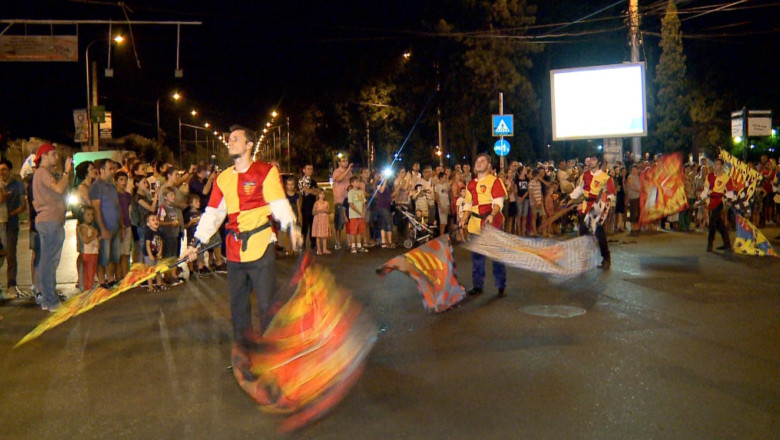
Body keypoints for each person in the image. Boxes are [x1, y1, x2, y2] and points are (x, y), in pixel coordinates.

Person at [183, 125, 302, 350]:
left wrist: (291, 226)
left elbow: (278, 203)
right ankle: (244, 353)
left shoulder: (265, 171)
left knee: (267, 306)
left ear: (249, 145)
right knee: (238, 308)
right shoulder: (223, 178)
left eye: (236, 139)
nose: (230, 142)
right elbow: (213, 214)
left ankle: (271, 354)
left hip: (261, 247)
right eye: (229, 139)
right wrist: (195, 243)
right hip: (234, 250)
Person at [460, 153, 507, 298]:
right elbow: (468, 204)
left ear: (489, 166)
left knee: (496, 256)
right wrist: (464, 218)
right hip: (475, 225)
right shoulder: (470, 184)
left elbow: (498, 202)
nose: (479, 163)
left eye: (482, 161)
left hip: (492, 224)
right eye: (477, 161)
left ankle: (500, 286)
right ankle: (477, 285)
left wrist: (492, 215)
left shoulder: (495, 181)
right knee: (477, 257)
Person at [32, 144, 73, 311]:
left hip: (49, 222)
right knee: (50, 262)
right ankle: (50, 300)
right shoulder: (42, 173)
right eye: (53, 154)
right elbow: (58, 188)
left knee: (47, 261)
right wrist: (66, 172)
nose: (57, 157)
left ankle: (47, 299)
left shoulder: (43, 174)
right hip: (49, 223)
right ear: (44, 156)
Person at [567, 155, 615, 269]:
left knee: (599, 233)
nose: (591, 162)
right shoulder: (585, 175)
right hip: (585, 206)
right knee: (583, 232)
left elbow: (611, 194)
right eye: (590, 160)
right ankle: (582, 259)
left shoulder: (605, 178)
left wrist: (603, 210)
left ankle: (606, 258)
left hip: (597, 208)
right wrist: (568, 197)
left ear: (598, 162)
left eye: (593, 160)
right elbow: (579, 189)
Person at [89, 159, 123, 288]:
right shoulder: (96, 186)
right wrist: (102, 229)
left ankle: (110, 279)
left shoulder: (112, 186)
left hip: (115, 227)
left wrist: (121, 225)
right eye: (110, 169)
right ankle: (102, 281)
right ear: (102, 170)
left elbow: (117, 206)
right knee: (103, 257)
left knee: (113, 257)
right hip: (105, 227)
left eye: (114, 168)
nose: (113, 171)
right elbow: (96, 209)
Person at [0, 159, 26, 294]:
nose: (1, 173)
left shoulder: (18, 185)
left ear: (9, 170)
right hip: (0, 222)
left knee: (10, 254)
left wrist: (11, 213)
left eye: (4, 169)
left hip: (11, 223)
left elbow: (23, 206)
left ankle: (11, 284)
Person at [699, 158, 734, 252]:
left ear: (722, 166)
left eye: (717, 164)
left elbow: (730, 191)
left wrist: (729, 200)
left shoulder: (726, 178)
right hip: (711, 201)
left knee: (712, 222)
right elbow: (706, 189)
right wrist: (701, 198)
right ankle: (727, 243)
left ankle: (709, 244)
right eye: (715, 164)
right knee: (719, 224)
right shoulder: (709, 176)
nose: (715, 166)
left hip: (719, 202)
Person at [159, 187, 184, 286]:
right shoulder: (163, 208)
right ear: (165, 197)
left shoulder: (174, 209)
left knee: (174, 256)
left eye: (174, 195)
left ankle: (174, 275)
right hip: (167, 235)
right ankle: (167, 276)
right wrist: (170, 224)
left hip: (174, 234)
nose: (173, 197)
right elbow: (159, 221)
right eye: (171, 195)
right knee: (167, 257)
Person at [331, 156, 352, 250]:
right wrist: (347, 170)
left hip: (349, 199)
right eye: (343, 161)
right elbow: (338, 179)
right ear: (339, 163)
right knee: (339, 222)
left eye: (346, 160)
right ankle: (337, 242)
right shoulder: (336, 171)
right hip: (340, 200)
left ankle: (349, 241)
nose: (345, 162)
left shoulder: (349, 172)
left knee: (349, 221)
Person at [115, 171, 133, 278]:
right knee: (118, 253)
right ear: (116, 181)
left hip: (127, 225)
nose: (124, 182)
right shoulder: (114, 195)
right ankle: (118, 275)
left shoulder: (127, 195)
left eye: (125, 180)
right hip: (118, 226)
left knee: (126, 252)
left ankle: (125, 275)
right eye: (121, 180)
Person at [78, 206, 99, 290]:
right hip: (88, 253)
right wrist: (94, 235)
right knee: (88, 274)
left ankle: (89, 289)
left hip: (93, 253)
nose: (91, 217)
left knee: (92, 273)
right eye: (88, 215)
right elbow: (85, 240)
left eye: (92, 215)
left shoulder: (90, 227)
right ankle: (88, 290)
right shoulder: (83, 227)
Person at [143, 213, 165, 292]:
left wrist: (160, 252)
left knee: (157, 269)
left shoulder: (159, 232)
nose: (156, 221)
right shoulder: (148, 232)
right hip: (149, 255)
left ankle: (159, 283)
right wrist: (150, 255)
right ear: (148, 224)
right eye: (153, 220)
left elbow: (161, 243)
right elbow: (147, 244)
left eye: (156, 219)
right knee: (150, 270)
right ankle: (150, 286)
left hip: (156, 254)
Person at [298, 164, 319, 250]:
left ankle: (313, 243)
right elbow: (305, 190)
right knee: (305, 225)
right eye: (308, 169)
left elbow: (316, 192)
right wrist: (311, 191)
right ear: (304, 170)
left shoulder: (314, 181)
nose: (310, 170)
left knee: (313, 224)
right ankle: (303, 243)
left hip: (313, 204)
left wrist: (311, 191)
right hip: (305, 204)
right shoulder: (301, 181)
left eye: (311, 169)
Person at [347, 175, 369, 253]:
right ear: (352, 183)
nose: (358, 183)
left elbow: (364, 202)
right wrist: (359, 212)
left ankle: (359, 246)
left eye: (358, 181)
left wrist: (363, 211)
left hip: (361, 215)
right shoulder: (351, 192)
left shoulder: (361, 192)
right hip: (354, 215)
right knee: (353, 231)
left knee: (360, 231)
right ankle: (353, 246)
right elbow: (351, 204)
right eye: (356, 182)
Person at [312, 189, 332, 255]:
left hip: (324, 219)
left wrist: (326, 211)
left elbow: (329, 211)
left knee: (324, 235)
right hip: (318, 220)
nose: (322, 195)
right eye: (320, 194)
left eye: (323, 194)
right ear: (318, 195)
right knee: (318, 235)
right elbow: (313, 212)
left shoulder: (326, 203)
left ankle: (324, 249)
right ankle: (319, 249)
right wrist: (319, 211)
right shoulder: (316, 203)